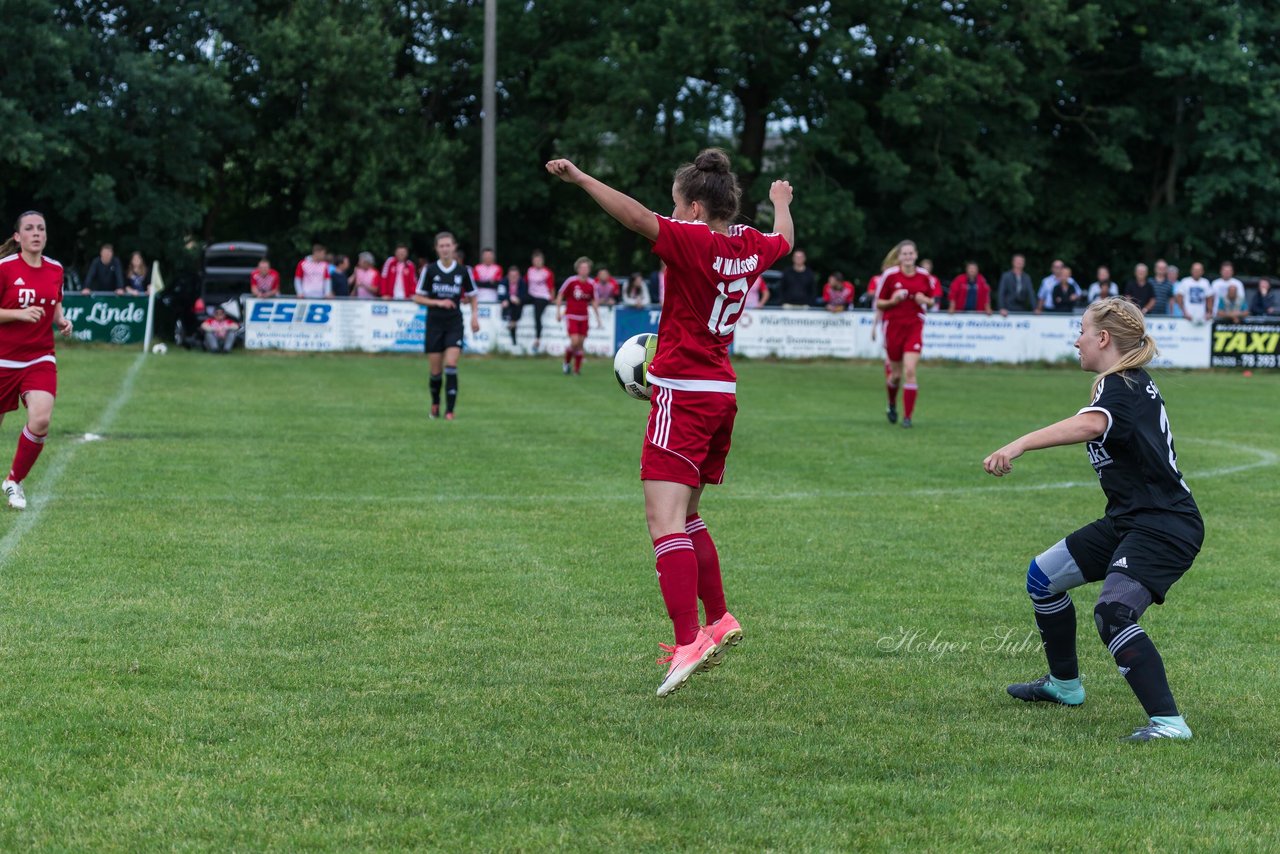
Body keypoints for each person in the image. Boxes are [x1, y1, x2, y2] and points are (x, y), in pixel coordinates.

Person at [546, 148, 793, 698]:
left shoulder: (694, 239)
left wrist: (583, 177)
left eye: (676, 207)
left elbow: (635, 218)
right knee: (690, 513)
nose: (670, 215)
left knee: (664, 521)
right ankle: (721, 618)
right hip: (721, 392)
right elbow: (787, 241)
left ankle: (689, 640)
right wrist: (781, 203)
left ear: (697, 209)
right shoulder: (749, 243)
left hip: (681, 390)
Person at [983, 297, 1203, 742]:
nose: (1077, 339)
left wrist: (1020, 443)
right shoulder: (1122, 382)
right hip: (1130, 520)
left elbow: (1089, 426)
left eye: (1082, 330)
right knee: (1043, 577)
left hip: (1164, 526)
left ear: (1103, 338)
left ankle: (1169, 724)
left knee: (1113, 612)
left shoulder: (1121, 386)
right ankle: (1065, 686)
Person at [0, 211, 75, 510]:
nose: (36, 233)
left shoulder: (55, 269)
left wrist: (61, 321)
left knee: (41, 419)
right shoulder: (4, 268)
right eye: (29, 229)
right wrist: (18, 313)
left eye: (41, 229)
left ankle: (13, 481)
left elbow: (54, 302)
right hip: (3, 359)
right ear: (17, 237)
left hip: (39, 357)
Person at [413, 232, 480, 420]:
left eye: (448, 245)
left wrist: (475, 316)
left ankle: (450, 411)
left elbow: (473, 295)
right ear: (436, 249)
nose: (445, 249)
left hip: (454, 323)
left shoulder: (463, 271)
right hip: (434, 323)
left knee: (451, 364)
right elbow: (417, 297)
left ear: (454, 247)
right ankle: (435, 404)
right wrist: (438, 302)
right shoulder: (430, 270)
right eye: (441, 246)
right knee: (435, 371)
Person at [875, 240, 935, 428]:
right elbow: (879, 303)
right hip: (893, 327)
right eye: (905, 254)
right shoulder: (890, 276)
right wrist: (893, 300)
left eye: (911, 253)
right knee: (895, 375)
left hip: (914, 326)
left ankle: (908, 417)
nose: (908, 257)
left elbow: (932, 301)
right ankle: (892, 403)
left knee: (910, 370)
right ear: (899, 257)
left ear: (916, 255)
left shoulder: (924, 276)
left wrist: (924, 299)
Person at [555, 257, 603, 375]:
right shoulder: (571, 281)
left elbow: (594, 301)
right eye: (582, 267)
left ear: (589, 269)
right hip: (571, 315)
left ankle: (577, 370)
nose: (584, 270)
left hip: (584, 317)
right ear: (577, 269)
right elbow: (560, 294)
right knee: (575, 341)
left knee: (580, 343)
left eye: (586, 268)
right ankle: (566, 362)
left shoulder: (592, 284)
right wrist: (558, 311)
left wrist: (598, 318)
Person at [525, 251, 555, 353]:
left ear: (542, 261)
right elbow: (525, 283)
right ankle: (513, 321)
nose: (537, 262)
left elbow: (551, 287)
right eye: (535, 260)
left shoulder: (547, 272)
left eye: (539, 260)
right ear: (533, 261)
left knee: (537, 316)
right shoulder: (530, 271)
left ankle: (537, 339)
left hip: (543, 296)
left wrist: (552, 298)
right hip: (531, 295)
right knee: (517, 301)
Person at [499, 265, 526, 346]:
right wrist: (509, 298)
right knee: (507, 303)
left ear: (518, 276)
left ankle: (512, 323)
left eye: (515, 276)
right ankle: (511, 322)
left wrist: (517, 299)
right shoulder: (503, 282)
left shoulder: (522, 282)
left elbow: (524, 295)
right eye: (511, 276)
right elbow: (500, 295)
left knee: (517, 303)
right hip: (508, 303)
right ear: (508, 275)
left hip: (517, 304)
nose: (513, 278)